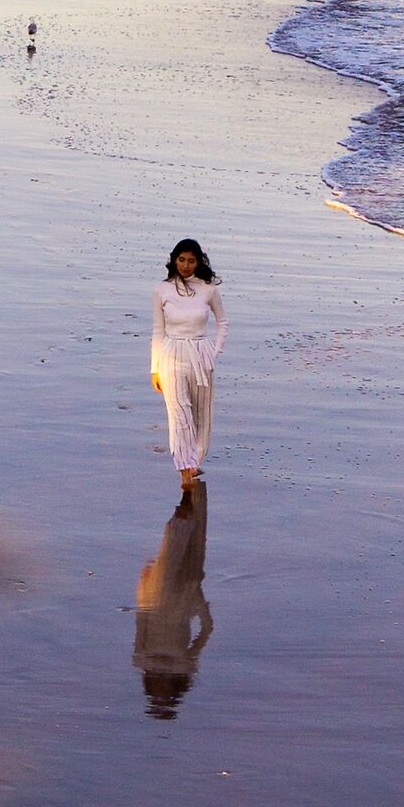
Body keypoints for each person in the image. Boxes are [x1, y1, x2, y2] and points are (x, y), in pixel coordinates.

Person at [133, 480, 215, 718]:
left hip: (159, 596)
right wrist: (196, 598)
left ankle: (189, 484)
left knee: (178, 533)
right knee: (188, 535)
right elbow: (207, 629)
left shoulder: (142, 660)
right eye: (163, 699)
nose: (160, 694)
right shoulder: (183, 664)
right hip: (179, 596)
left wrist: (143, 586)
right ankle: (190, 484)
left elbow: (140, 621)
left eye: (157, 699)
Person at [151, 239, 228, 488]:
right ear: (174, 260)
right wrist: (155, 368)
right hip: (171, 353)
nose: (185, 265)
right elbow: (157, 331)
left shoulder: (208, 289)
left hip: (200, 353)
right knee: (178, 412)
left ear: (199, 262)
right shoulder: (162, 290)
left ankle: (195, 459)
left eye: (191, 260)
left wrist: (213, 352)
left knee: (200, 414)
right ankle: (184, 467)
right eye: (181, 260)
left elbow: (223, 323)